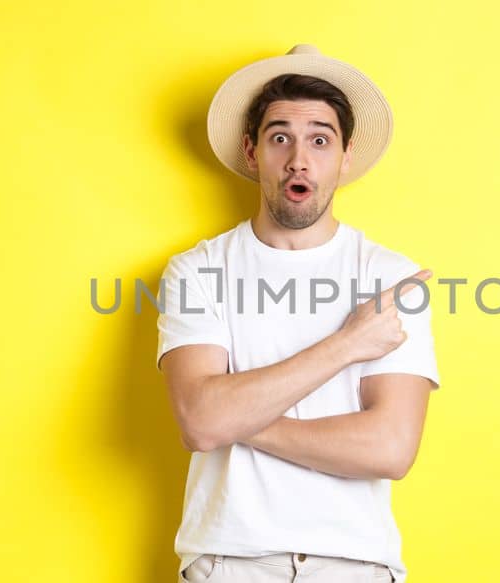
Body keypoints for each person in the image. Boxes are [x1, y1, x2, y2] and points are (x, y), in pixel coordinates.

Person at [156, 44, 440, 582]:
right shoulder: (197, 271)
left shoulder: (390, 277)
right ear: (251, 151)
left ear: (345, 157)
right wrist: (347, 344)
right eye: (279, 137)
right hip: (229, 562)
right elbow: (199, 422)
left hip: (356, 565)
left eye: (319, 140)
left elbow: (390, 448)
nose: (298, 159)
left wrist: (234, 416)